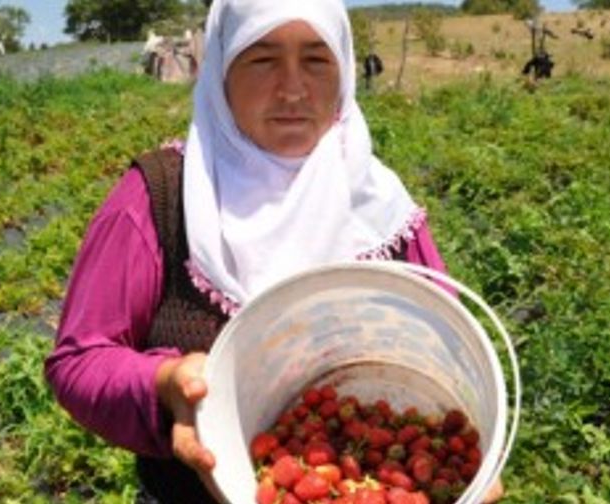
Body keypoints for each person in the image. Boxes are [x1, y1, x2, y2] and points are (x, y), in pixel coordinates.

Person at [45, 0, 505, 502]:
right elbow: (78, 360)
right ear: (221, 71)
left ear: (345, 68)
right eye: (262, 59)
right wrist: (166, 380)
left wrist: (477, 465)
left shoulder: (379, 205)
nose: (292, 88)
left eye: (316, 59)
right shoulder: (161, 195)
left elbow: (450, 353)